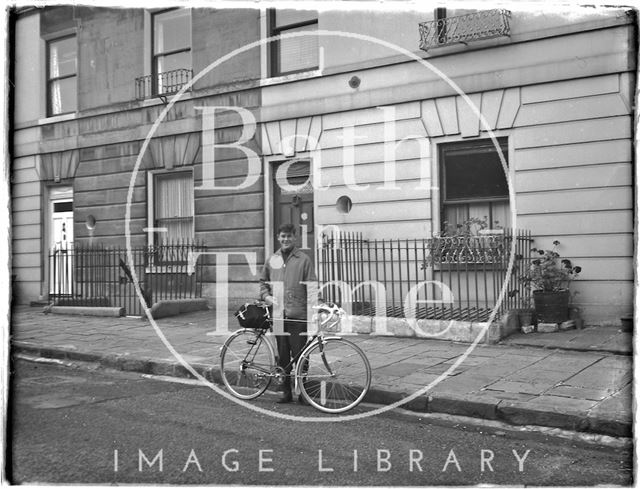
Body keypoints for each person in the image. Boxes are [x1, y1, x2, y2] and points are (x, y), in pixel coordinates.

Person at [259, 223, 317, 403]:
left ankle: (303, 392)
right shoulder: (271, 260)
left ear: (295, 238)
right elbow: (263, 283)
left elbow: (312, 287)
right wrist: (266, 297)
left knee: (301, 356)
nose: (285, 239)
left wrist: (316, 308)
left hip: (298, 315)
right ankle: (285, 391)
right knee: (283, 355)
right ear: (278, 237)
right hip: (277, 315)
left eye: (289, 236)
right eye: (282, 236)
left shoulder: (304, 259)